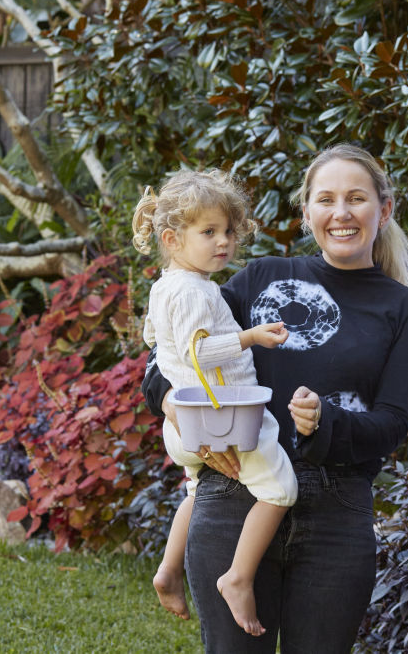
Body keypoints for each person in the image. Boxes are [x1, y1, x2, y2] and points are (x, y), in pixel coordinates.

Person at [142, 144, 408, 653]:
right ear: (307, 214)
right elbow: (164, 360)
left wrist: (326, 422)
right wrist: (181, 412)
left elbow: (391, 425)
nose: (341, 213)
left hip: (336, 511)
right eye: (325, 199)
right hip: (235, 493)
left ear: (383, 210)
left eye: (356, 199)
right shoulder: (258, 280)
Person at [133, 170, 298, 637]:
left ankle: (168, 569)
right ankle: (238, 576)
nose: (223, 241)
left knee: (195, 489)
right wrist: (250, 337)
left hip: (184, 423)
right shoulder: (192, 290)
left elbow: (154, 339)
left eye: (227, 231)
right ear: (172, 238)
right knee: (280, 489)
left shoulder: (169, 285)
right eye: (208, 232)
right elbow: (196, 353)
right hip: (220, 414)